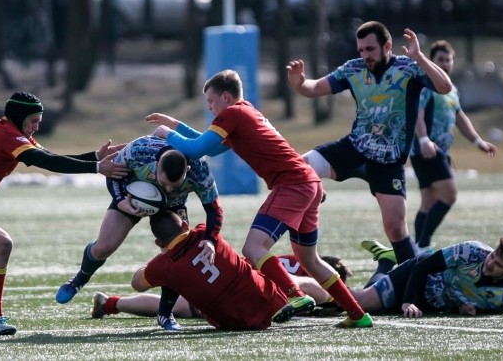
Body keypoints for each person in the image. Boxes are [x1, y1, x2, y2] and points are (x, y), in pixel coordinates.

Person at [148, 69, 371, 328]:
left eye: (211, 101)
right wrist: (174, 125)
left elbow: (197, 149)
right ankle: (358, 314)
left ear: (227, 97)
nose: (209, 107)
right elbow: (208, 145)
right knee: (310, 260)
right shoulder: (244, 112)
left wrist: (166, 133)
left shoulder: (232, 114)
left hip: (292, 184)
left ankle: (296, 296)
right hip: (309, 183)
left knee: (253, 249)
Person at [0, 91, 129, 335]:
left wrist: (96, 157)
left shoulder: (13, 133)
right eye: (33, 121)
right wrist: (97, 168)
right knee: (2, 244)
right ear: (19, 117)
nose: (37, 126)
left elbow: (51, 157)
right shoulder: (8, 138)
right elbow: (47, 163)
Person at [286, 21, 454, 266]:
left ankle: (411, 283)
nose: (365, 55)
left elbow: (445, 86)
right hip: (354, 148)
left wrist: (419, 57)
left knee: (396, 230)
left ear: (387, 46)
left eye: (370, 49)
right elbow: (315, 88)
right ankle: (305, 249)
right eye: (361, 50)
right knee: (302, 167)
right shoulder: (353, 69)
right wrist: (299, 83)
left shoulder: (409, 68)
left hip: (389, 161)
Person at [55, 135, 223, 330]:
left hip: (173, 206)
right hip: (133, 198)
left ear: (187, 170)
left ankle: (165, 315)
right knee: (103, 247)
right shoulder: (140, 150)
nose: (167, 188)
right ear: (157, 163)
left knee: (174, 257)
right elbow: (112, 173)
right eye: (164, 181)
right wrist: (120, 201)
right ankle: (79, 279)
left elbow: (214, 210)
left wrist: (211, 239)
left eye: (174, 185)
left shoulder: (200, 169)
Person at [131, 211, 294, 331]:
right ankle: (302, 295)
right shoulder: (204, 230)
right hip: (270, 299)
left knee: (169, 278)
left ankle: (154, 312)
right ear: (186, 225)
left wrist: (162, 256)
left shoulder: (163, 266)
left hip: (236, 323)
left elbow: (136, 283)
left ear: (158, 242)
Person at [410, 40, 497, 253]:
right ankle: (422, 245)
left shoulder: (451, 89)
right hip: (427, 150)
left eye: (448, 60)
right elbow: (416, 115)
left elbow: (459, 117)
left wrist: (478, 141)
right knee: (449, 195)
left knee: (429, 201)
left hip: (437, 151)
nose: (446, 63)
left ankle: (416, 246)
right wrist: (423, 140)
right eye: (441, 59)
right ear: (432, 61)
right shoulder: (426, 85)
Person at [92, 255, 352, 319]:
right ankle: (112, 303)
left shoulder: (296, 261)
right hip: (254, 290)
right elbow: (300, 285)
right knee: (184, 307)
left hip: (230, 281)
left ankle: (111, 303)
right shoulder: (304, 272)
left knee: (183, 306)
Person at [354, 235, 503, 317]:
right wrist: (408, 301)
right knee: (359, 304)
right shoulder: (471, 251)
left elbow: (487, 309)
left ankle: (385, 260)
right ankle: (384, 262)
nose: (490, 263)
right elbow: (423, 267)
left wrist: (467, 310)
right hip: (416, 276)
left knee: (378, 309)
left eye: (498, 265)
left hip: (432, 304)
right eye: (492, 256)